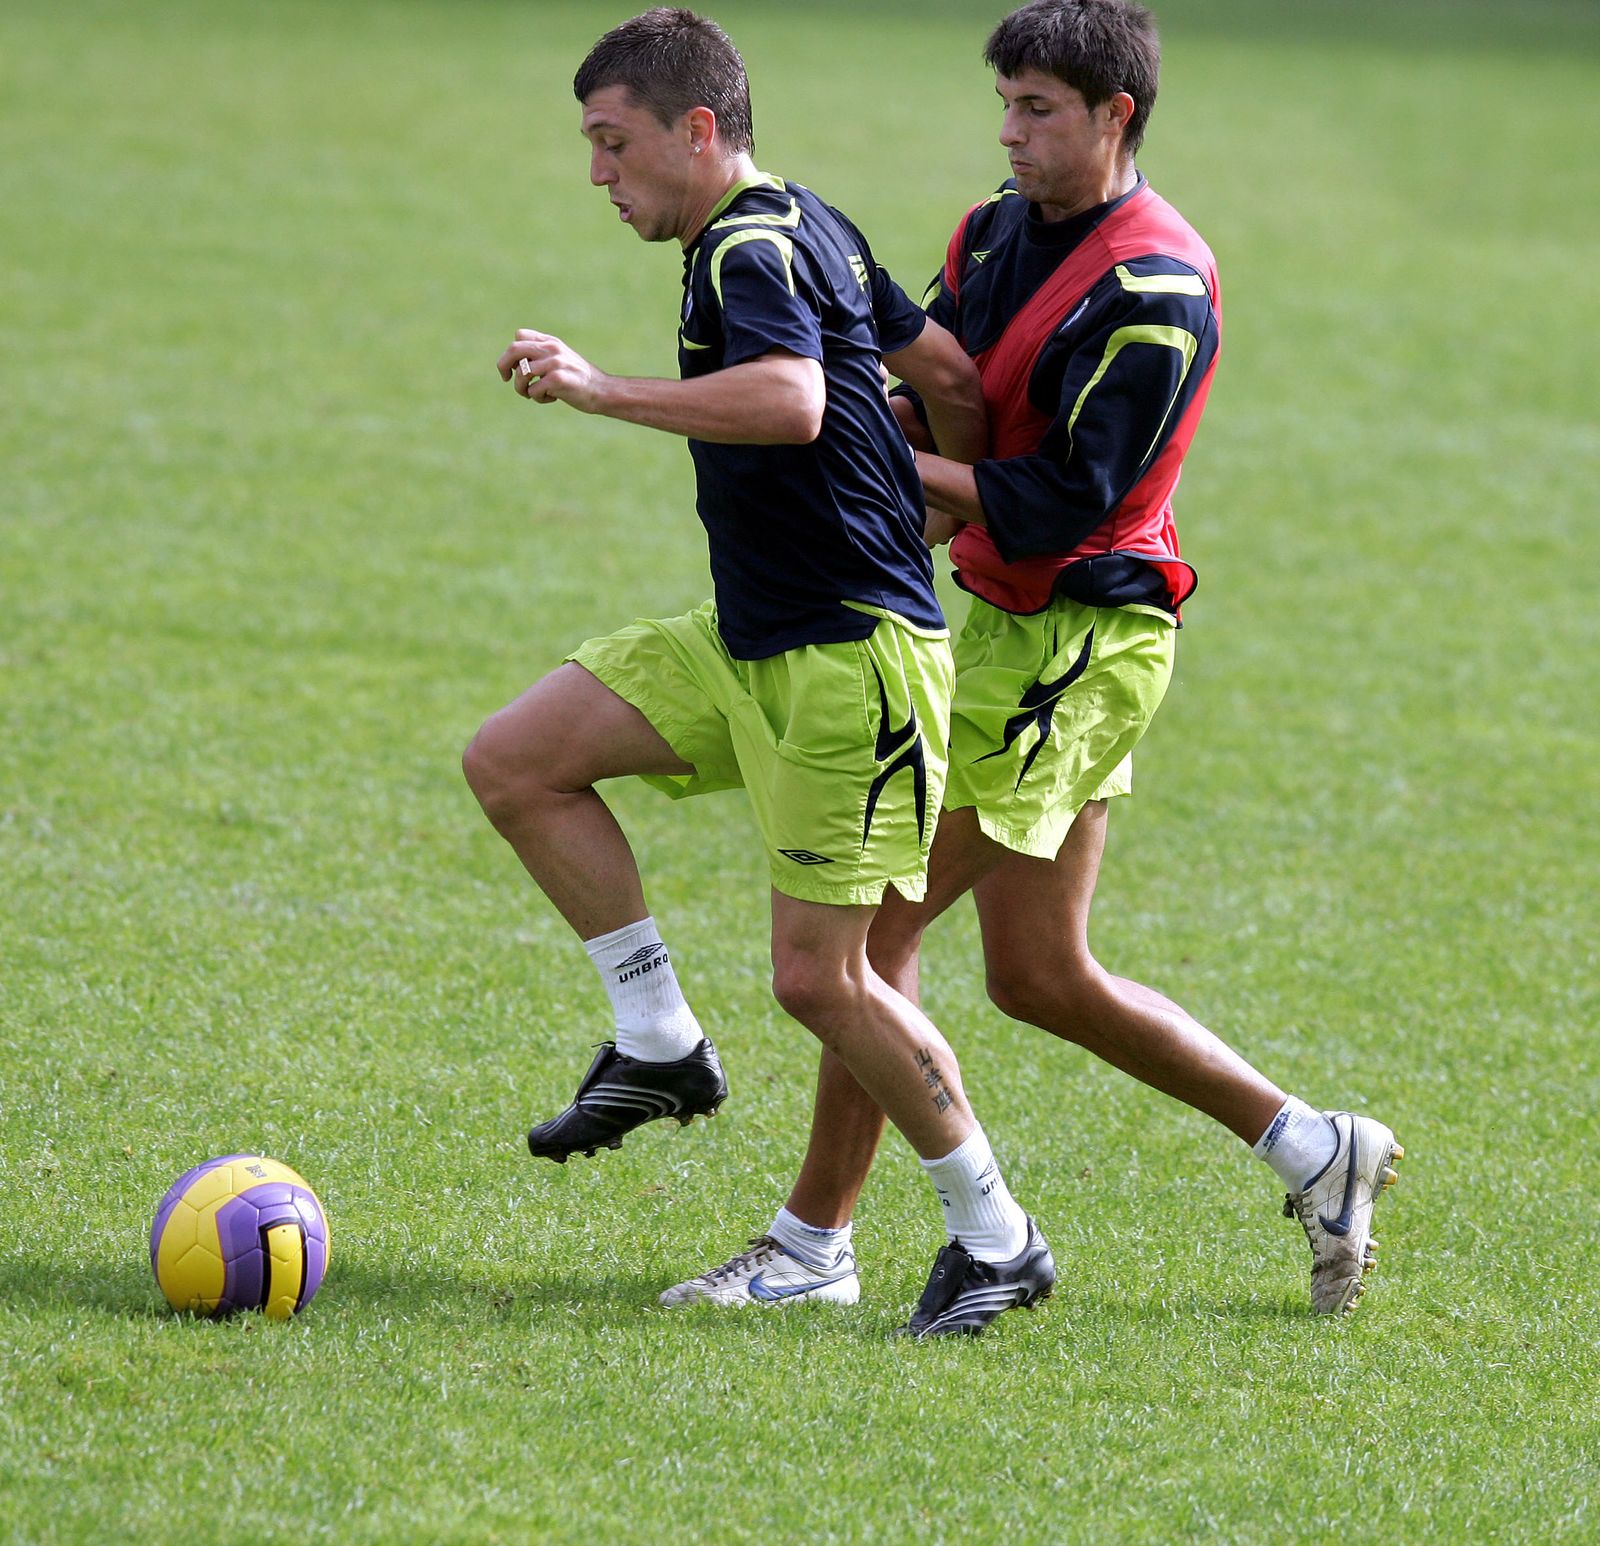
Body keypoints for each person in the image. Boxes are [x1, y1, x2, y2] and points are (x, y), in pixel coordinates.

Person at [663, 0, 1402, 1321]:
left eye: (1040, 110)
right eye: (1003, 103)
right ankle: (1314, 1146)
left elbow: (1062, 500)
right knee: (1038, 975)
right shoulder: (993, 230)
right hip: (999, 627)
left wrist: (858, 459)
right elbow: (942, 384)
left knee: (867, 945)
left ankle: (809, 1246)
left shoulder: (1158, 291)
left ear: (1120, 116)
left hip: (1082, 643)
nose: (1009, 133)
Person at [465, 7, 1055, 1337]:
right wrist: (935, 508)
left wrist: (596, 387)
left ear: (697, 128)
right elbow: (946, 370)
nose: (599, 178)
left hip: (852, 665)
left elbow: (789, 400)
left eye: (615, 147)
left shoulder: (749, 249)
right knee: (517, 758)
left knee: (824, 978)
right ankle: (660, 1038)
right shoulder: (813, 220)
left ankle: (995, 1232)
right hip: (751, 637)